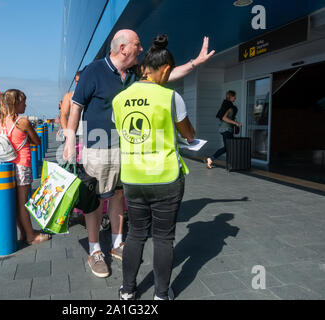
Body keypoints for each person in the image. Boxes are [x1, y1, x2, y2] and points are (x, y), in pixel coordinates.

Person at [63, 29, 214, 278]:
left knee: (119, 197)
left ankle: (117, 243)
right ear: (123, 48)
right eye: (137, 44)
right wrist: (69, 139)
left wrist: (194, 63)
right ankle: (94, 250)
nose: (141, 49)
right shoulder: (93, 70)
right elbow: (76, 107)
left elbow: (166, 74)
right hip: (97, 148)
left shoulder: (134, 73)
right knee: (95, 202)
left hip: (126, 149)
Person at [112, 34, 195, 300]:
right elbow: (189, 135)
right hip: (166, 177)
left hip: (133, 178)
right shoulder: (171, 98)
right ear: (166, 70)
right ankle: (161, 294)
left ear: (142, 67)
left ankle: (127, 291)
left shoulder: (119, 100)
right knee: (163, 238)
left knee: (135, 234)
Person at [0, 89, 51, 245]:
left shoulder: (0, 122)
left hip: (8, 166)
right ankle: (31, 236)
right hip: (22, 164)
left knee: (15, 202)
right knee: (23, 202)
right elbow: (37, 141)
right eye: (23, 102)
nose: (26, 105)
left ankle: (24, 232)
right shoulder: (22, 122)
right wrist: (26, 140)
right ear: (16, 104)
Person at [205, 90, 241, 169]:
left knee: (229, 147)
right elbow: (224, 118)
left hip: (227, 129)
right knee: (228, 147)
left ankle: (229, 164)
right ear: (230, 96)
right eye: (234, 96)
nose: (235, 97)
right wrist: (235, 123)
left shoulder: (229, 105)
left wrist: (235, 123)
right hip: (226, 129)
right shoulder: (228, 105)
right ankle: (211, 159)